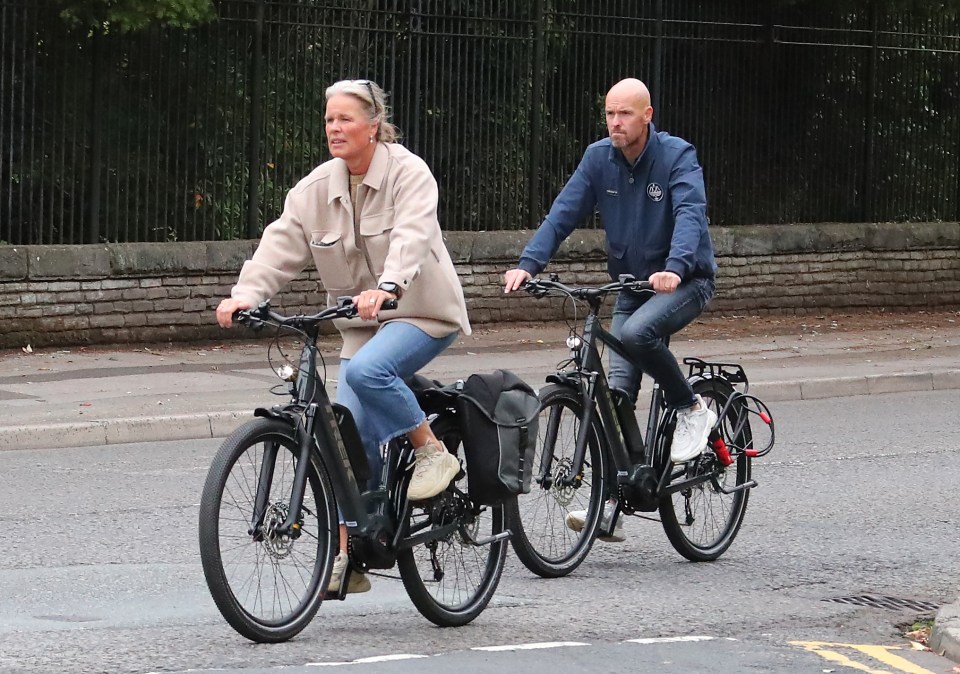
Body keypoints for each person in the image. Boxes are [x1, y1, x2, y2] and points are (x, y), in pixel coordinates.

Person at [216, 79, 469, 592]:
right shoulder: (315, 190)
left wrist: (389, 285)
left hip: (421, 313)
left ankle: (431, 451)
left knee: (370, 371)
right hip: (360, 325)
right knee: (351, 435)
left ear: (373, 126)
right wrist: (246, 294)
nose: (335, 128)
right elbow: (278, 246)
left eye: (346, 119)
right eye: (329, 119)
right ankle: (356, 550)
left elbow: (413, 236)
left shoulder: (408, 173)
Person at [503, 78, 718, 543]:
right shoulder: (599, 158)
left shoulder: (677, 157)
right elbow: (564, 211)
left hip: (685, 280)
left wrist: (677, 268)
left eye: (624, 114)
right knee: (616, 395)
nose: (615, 122)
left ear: (647, 115)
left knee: (638, 336)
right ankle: (623, 495)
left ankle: (691, 407)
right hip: (633, 286)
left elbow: (689, 214)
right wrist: (529, 264)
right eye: (609, 114)